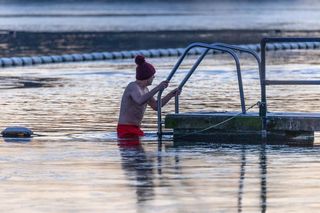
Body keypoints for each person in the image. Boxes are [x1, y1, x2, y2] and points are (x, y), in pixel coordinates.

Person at [117, 55, 180, 139]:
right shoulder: (133, 86)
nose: (154, 77)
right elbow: (139, 101)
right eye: (152, 75)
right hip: (126, 129)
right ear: (147, 76)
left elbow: (157, 106)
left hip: (136, 129)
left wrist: (171, 94)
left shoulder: (146, 90)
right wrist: (158, 88)